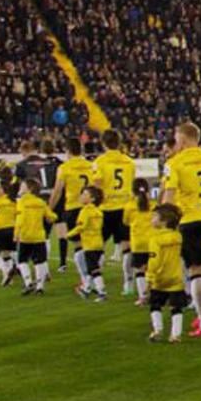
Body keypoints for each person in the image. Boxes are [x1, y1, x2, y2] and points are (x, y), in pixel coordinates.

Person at [160, 121, 201, 338]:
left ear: (184, 140)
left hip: (189, 221)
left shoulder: (174, 163)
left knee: (195, 270)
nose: (176, 144)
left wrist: (165, 225)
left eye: (177, 139)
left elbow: (169, 198)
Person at [94, 130, 138, 296]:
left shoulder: (100, 162)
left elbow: (97, 184)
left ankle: (94, 281)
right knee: (127, 246)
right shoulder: (129, 162)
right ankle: (128, 283)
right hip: (125, 208)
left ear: (103, 143)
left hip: (106, 208)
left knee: (98, 245)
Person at [52, 136, 95, 277]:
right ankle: (94, 275)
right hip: (89, 208)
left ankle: (85, 279)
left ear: (68, 150)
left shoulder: (64, 168)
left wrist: (49, 208)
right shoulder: (91, 165)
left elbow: (58, 191)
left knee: (78, 245)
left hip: (73, 208)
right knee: (89, 243)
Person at [146, 203, 188, 342]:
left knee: (155, 305)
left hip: (159, 278)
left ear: (164, 221)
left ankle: (157, 329)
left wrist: (150, 277)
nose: (152, 219)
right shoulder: (178, 237)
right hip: (176, 278)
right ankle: (175, 334)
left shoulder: (155, 239)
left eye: (154, 217)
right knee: (176, 307)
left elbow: (154, 261)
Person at [12, 172, 55, 295]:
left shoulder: (22, 202)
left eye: (23, 186)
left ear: (29, 189)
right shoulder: (41, 202)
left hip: (25, 236)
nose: (20, 187)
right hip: (39, 236)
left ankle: (28, 282)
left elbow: (20, 219)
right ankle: (40, 287)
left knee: (22, 261)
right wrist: (51, 218)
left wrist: (16, 233)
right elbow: (51, 216)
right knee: (40, 261)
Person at [70, 186, 108, 301]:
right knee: (93, 268)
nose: (81, 196)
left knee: (93, 269)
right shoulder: (98, 212)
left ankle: (101, 292)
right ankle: (86, 289)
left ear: (92, 199)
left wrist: (69, 234)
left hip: (89, 245)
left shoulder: (85, 211)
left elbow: (81, 227)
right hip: (98, 243)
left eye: (85, 194)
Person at [127, 181, 154, 306]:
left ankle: (143, 297)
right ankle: (154, 294)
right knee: (152, 270)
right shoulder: (154, 205)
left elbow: (126, 221)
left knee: (139, 271)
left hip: (138, 243)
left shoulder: (129, 206)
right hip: (152, 242)